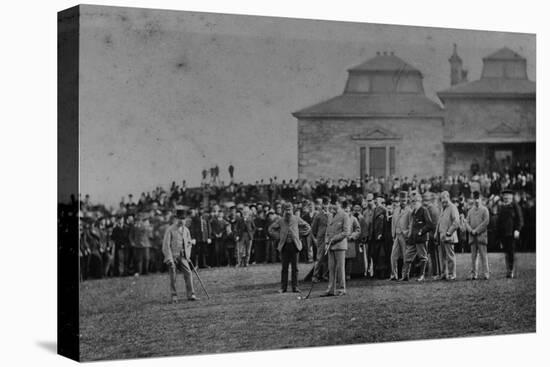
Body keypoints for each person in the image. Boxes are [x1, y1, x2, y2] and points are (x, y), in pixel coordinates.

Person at [268, 202, 311, 293]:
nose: (288, 212)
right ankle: (283, 288)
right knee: (284, 268)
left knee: (295, 268)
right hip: (284, 246)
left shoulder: (296, 219)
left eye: (289, 210)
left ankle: (295, 287)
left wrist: (299, 234)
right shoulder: (280, 220)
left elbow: (307, 227)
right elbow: (271, 229)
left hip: (295, 246)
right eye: (286, 210)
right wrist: (278, 236)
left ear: (292, 210)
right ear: (283, 211)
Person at [162, 206, 198, 302]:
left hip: (183, 257)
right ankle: (174, 296)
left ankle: (191, 295)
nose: (181, 221)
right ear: (176, 219)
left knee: (189, 273)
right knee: (173, 275)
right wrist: (169, 258)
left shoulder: (186, 230)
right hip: (173, 257)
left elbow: (188, 243)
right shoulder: (170, 230)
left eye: (183, 218)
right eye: (180, 218)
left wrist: (188, 255)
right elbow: (166, 245)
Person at [321, 199, 351, 297]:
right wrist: (326, 241)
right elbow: (327, 230)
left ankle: (342, 289)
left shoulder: (344, 215)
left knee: (340, 268)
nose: (333, 206)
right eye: (332, 204)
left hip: (340, 246)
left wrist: (334, 239)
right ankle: (331, 290)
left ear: (339, 204)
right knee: (331, 267)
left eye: (335, 204)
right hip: (330, 246)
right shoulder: (330, 215)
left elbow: (346, 232)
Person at [401, 193, 433, 281]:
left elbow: (430, 225)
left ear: (420, 201)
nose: (414, 203)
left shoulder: (424, 210)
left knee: (423, 257)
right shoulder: (413, 212)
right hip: (413, 239)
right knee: (408, 257)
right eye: (412, 201)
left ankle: (421, 276)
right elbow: (411, 225)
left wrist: (421, 232)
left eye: (416, 201)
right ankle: (405, 276)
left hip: (421, 239)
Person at [497, 189, 524, 278]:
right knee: (506, 252)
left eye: (508, 196)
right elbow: (499, 221)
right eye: (505, 196)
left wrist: (517, 229)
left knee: (511, 252)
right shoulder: (502, 207)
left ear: (511, 197)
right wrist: (499, 235)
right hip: (503, 234)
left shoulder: (515, 206)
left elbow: (520, 219)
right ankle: (508, 270)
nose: (506, 197)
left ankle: (511, 270)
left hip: (512, 233)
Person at [465, 191, 490, 280]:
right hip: (472, 237)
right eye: (474, 199)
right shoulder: (470, 211)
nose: (476, 201)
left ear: (481, 199)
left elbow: (486, 222)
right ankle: (474, 274)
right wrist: (471, 230)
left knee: (483, 256)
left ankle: (486, 273)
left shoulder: (485, 210)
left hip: (481, 237)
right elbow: (466, 222)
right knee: (473, 257)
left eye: (478, 199)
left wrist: (476, 230)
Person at [435, 191, 460, 280]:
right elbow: (439, 223)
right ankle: (443, 274)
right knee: (442, 257)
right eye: (442, 199)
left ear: (448, 197)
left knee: (450, 256)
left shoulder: (453, 207)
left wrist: (449, 233)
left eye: (445, 198)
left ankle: (452, 274)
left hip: (449, 236)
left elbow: (456, 222)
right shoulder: (443, 208)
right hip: (441, 236)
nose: (443, 200)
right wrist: (436, 234)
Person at [389, 191, 411, 281]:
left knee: (406, 256)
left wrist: (407, 233)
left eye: (404, 200)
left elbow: (411, 224)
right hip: (397, 235)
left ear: (407, 200)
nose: (403, 202)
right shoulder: (396, 210)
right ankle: (394, 275)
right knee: (393, 256)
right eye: (401, 200)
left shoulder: (409, 211)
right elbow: (393, 223)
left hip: (404, 235)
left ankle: (405, 275)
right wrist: (393, 234)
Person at [311, 198, 331, 282]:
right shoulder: (318, 215)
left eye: (328, 204)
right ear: (322, 205)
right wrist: (316, 239)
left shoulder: (331, 214)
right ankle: (315, 276)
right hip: (321, 238)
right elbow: (313, 228)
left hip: (329, 238)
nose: (326, 206)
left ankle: (325, 275)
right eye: (325, 204)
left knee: (327, 257)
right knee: (319, 257)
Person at [423, 192, 440, 279]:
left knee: (432, 255)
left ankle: (434, 272)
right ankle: (437, 272)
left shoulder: (428, 210)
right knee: (435, 255)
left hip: (430, 234)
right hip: (435, 234)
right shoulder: (435, 209)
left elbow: (429, 224)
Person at [371, 194, 387, 279]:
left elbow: (382, 223)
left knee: (381, 255)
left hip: (380, 236)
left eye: (377, 200)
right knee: (376, 254)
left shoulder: (383, 210)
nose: (376, 201)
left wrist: (380, 233)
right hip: (375, 235)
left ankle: (381, 273)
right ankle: (377, 273)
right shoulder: (375, 209)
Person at [344, 204, 361, 280]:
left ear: (350, 212)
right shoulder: (340, 218)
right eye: (345, 211)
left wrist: (353, 236)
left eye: (348, 211)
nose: (347, 213)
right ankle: (341, 275)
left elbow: (358, 230)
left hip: (350, 241)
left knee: (349, 259)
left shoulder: (354, 219)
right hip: (341, 241)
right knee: (341, 259)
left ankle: (348, 274)